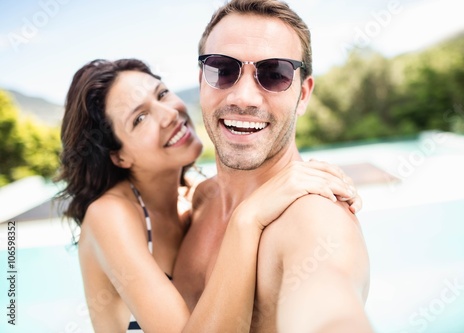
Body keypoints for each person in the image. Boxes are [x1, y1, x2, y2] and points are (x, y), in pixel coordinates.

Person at [56, 58, 361, 332]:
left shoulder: (197, 199)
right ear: (119, 156)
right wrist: (248, 218)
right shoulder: (110, 215)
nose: (168, 115)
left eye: (162, 94)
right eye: (140, 118)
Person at [172, 1, 374, 332]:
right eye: (222, 69)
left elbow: (329, 306)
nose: (244, 98)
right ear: (201, 81)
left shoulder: (313, 218)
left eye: (274, 74)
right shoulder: (200, 200)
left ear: (304, 94)